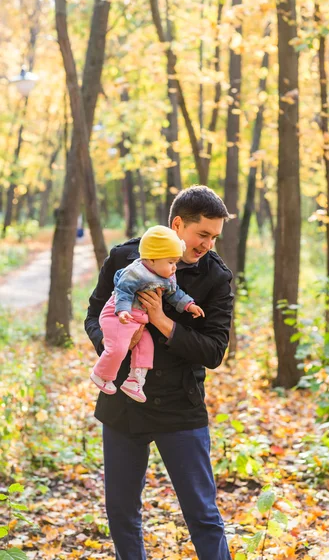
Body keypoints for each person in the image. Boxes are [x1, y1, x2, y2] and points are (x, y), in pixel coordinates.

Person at [85, 185, 234, 560]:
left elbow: (215, 351)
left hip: (180, 407)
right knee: (121, 513)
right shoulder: (124, 257)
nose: (208, 245)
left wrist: (163, 323)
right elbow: (93, 316)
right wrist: (115, 344)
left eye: (215, 237)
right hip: (123, 404)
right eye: (203, 235)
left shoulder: (216, 276)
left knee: (202, 514)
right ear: (178, 224)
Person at [90, 225, 205, 402]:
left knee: (146, 347)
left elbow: (175, 294)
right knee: (118, 348)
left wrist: (189, 305)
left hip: (137, 320)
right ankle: (101, 374)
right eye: (170, 262)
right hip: (118, 316)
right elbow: (123, 291)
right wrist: (122, 311)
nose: (174, 268)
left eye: (175, 262)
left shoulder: (167, 276)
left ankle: (135, 380)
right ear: (151, 260)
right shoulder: (136, 272)